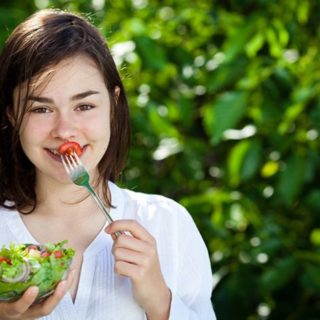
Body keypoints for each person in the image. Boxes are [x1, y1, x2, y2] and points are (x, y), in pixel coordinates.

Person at [0, 8, 216, 320]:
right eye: (41, 109)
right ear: (11, 114)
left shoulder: (167, 225)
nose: (64, 130)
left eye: (84, 105)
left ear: (113, 105)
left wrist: (160, 302)